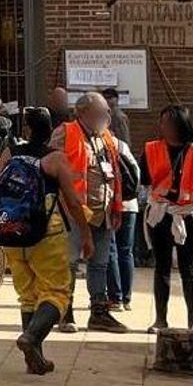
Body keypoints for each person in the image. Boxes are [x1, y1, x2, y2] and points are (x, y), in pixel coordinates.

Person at [0, 106, 93, 374]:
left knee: (27, 296)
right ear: (50, 131)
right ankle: (32, 338)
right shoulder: (55, 159)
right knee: (57, 293)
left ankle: (34, 358)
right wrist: (86, 235)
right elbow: (73, 202)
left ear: (26, 130)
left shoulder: (10, 153)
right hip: (47, 235)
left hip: (11, 234)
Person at [52, 91, 128, 333]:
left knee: (100, 264)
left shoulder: (106, 137)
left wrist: (117, 206)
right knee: (71, 262)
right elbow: (51, 165)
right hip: (73, 210)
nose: (107, 115)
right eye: (101, 112)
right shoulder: (65, 132)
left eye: (106, 111)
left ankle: (99, 312)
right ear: (84, 113)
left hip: (103, 211)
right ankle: (65, 311)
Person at [143, 105, 193, 332]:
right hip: (161, 214)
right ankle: (160, 319)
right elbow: (145, 178)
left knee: (188, 270)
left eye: (169, 123)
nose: (164, 127)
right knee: (161, 267)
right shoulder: (151, 149)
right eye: (162, 122)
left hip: (187, 215)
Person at [107, 137, 140, 312]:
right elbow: (136, 172)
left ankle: (115, 298)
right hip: (130, 204)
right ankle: (126, 298)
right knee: (126, 251)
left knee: (111, 250)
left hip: (110, 206)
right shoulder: (121, 145)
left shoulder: (97, 145)